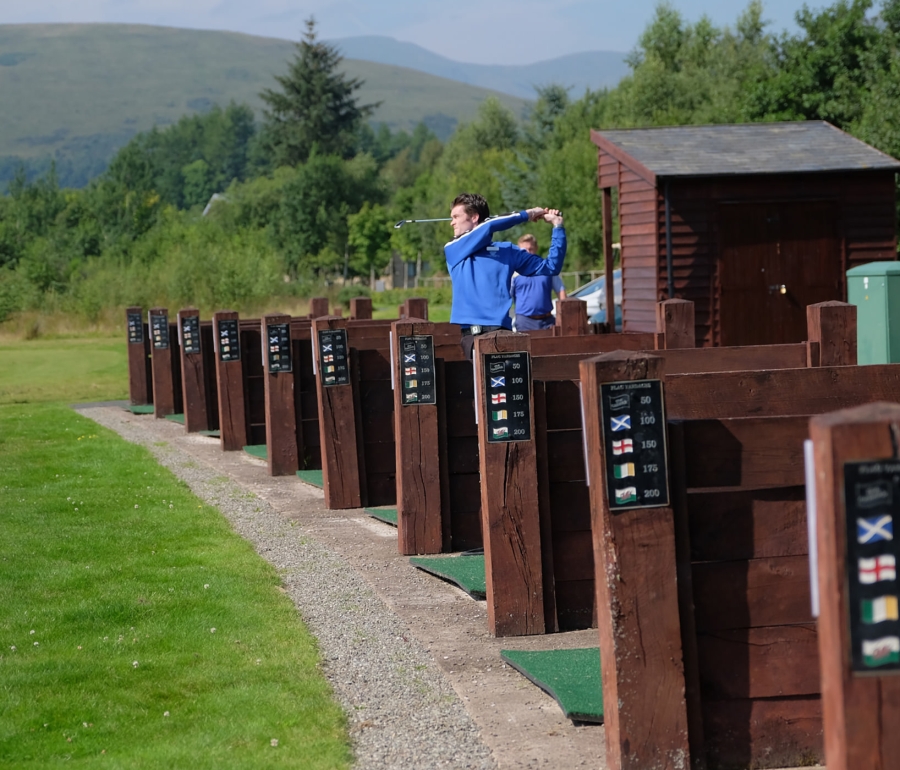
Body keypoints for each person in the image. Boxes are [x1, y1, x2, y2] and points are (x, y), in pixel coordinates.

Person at [444, 192, 565, 359]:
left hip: (502, 334)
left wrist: (557, 227)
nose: (452, 222)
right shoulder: (453, 249)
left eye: (456, 216)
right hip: (473, 337)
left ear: (474, 218)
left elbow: (551, 268)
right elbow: (489, 226)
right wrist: (527, 214)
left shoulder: (507, 250)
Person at [510, 234, 568, 331]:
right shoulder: (514, 272)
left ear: (536, 248)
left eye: (531, 249)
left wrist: (563, 317)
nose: (528, 252)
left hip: (547, 322)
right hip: (524, 322)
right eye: (524, 250)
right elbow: (506, 297)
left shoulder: (547, 268)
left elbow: (561, 291)